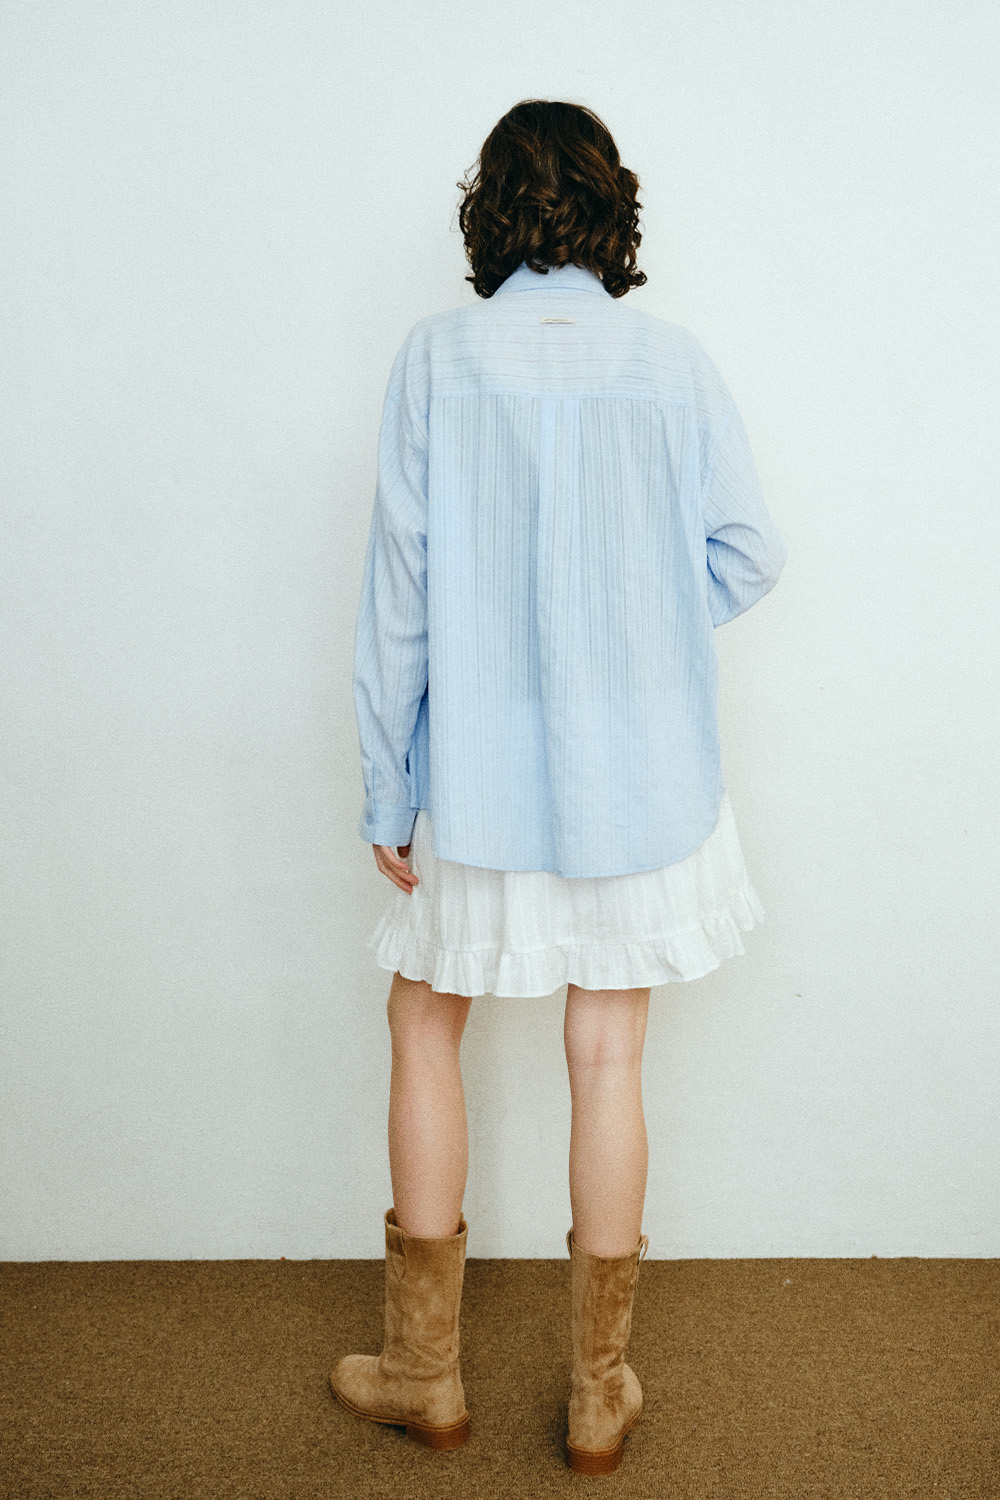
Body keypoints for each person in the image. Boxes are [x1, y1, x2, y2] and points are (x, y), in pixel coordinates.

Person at [331, 98, 788, 1476]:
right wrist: (643, 628)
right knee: (609, 1052)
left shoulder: (435, 358)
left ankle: (427, 1375)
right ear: (609, 210)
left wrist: (387, 783)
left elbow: (400, 594)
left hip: (474, 774)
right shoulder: (671, 363)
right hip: (639, 779)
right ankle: (598, 1391)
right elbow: (751, 552)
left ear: (490, 211)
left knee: (424, 1019)